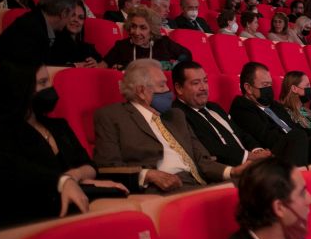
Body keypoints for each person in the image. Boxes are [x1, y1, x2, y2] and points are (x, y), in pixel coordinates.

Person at [0, 62, 127, 228]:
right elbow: (23, 179)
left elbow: (89, 165)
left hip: (74, 195)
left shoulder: (58, 125)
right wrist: (69, 182)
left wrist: (75, 175)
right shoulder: (1, 132)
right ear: (21, 89)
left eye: (48, 81)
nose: (50, 88)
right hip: (36, 211)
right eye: (42, 83)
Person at [94, 59, 244, 193]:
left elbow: (202, 159)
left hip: (199, 183)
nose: (169, 91)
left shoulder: (175, 115)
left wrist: (231, 171)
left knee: (254, 182)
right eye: (162, 85)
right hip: (162, 188)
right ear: (141, 91)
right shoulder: (112, 116)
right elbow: (107, 166)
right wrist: (147, 175)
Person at [171, 61, 271, 167]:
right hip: (227, 169)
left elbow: (240, 133)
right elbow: (208, 147)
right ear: (179, 88)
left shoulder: (214, 107)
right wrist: (248, 156)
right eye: (196, 83)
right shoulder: (178, 114)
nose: (203, 87)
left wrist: (257, 150)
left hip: (251, 163)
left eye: (205, 81)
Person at [229, 62, 310, 166]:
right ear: (248, 88)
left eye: (270, 84)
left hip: (298, 142)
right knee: (297, 135)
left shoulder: (274, 105)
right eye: (265, 85)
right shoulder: (241, 107)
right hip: (275, 153)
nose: (269, 88)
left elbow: (293, 125)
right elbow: (266, 137)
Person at [0, 0, 83, 66]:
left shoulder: (38, 22)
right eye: (71, 14)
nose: (71, 19)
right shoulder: (30, 30)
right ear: (64, 13)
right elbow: (35, 76)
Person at [103, 6, 192, 70]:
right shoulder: (122, 46)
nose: (137, 32)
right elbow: (103, 65)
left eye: (143, 28)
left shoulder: (163, 42)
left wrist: (173, 65)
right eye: (133, 26)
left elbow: (186, 54)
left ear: (152, 30)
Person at [57, 3, 103, 68]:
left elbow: (102, 65)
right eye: (72, 15)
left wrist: (96, 65)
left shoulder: (88, 48)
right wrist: (75, 66)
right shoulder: (52, 42)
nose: (76, 20)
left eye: (80, 18)